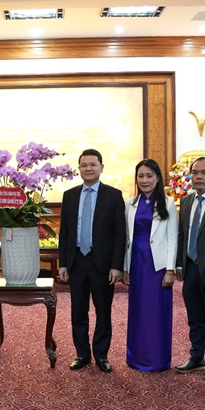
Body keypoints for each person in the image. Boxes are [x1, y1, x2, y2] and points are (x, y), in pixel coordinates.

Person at [58, 149, 126, 373]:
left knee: (103, 312)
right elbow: (65, 233)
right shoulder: (69, 196)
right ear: (79, 168)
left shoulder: (113, 195)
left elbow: (119, 234)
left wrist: (116, 265)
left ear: (101, 168)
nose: (88, 168)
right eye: (84, 165)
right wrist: (63, 263)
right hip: (77, 260)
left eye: (93, 164)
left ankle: (101, 355)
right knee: (78, 311)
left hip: (102, 264)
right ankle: (82, 354)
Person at [123, 159, 177, 372]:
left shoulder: (168, 203)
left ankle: (157, 358)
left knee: (156, 312)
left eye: (149, 176)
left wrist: (170, 269)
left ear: (157, 178)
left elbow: (172, 238)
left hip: (158, 267)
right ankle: (136, 357)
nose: (144, 180)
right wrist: (125, 268)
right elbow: (126, 238)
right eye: (141, 176)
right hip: (137, 264)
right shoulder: (130, 204)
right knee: (138, 312)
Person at [174, 157, 205, 380]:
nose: (199, 177)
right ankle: (196, 357)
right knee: (194, 318)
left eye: (204, 172)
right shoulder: (186, 201)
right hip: (190, 268)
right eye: (195, 173)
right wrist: (179, 263)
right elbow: (181, 234)